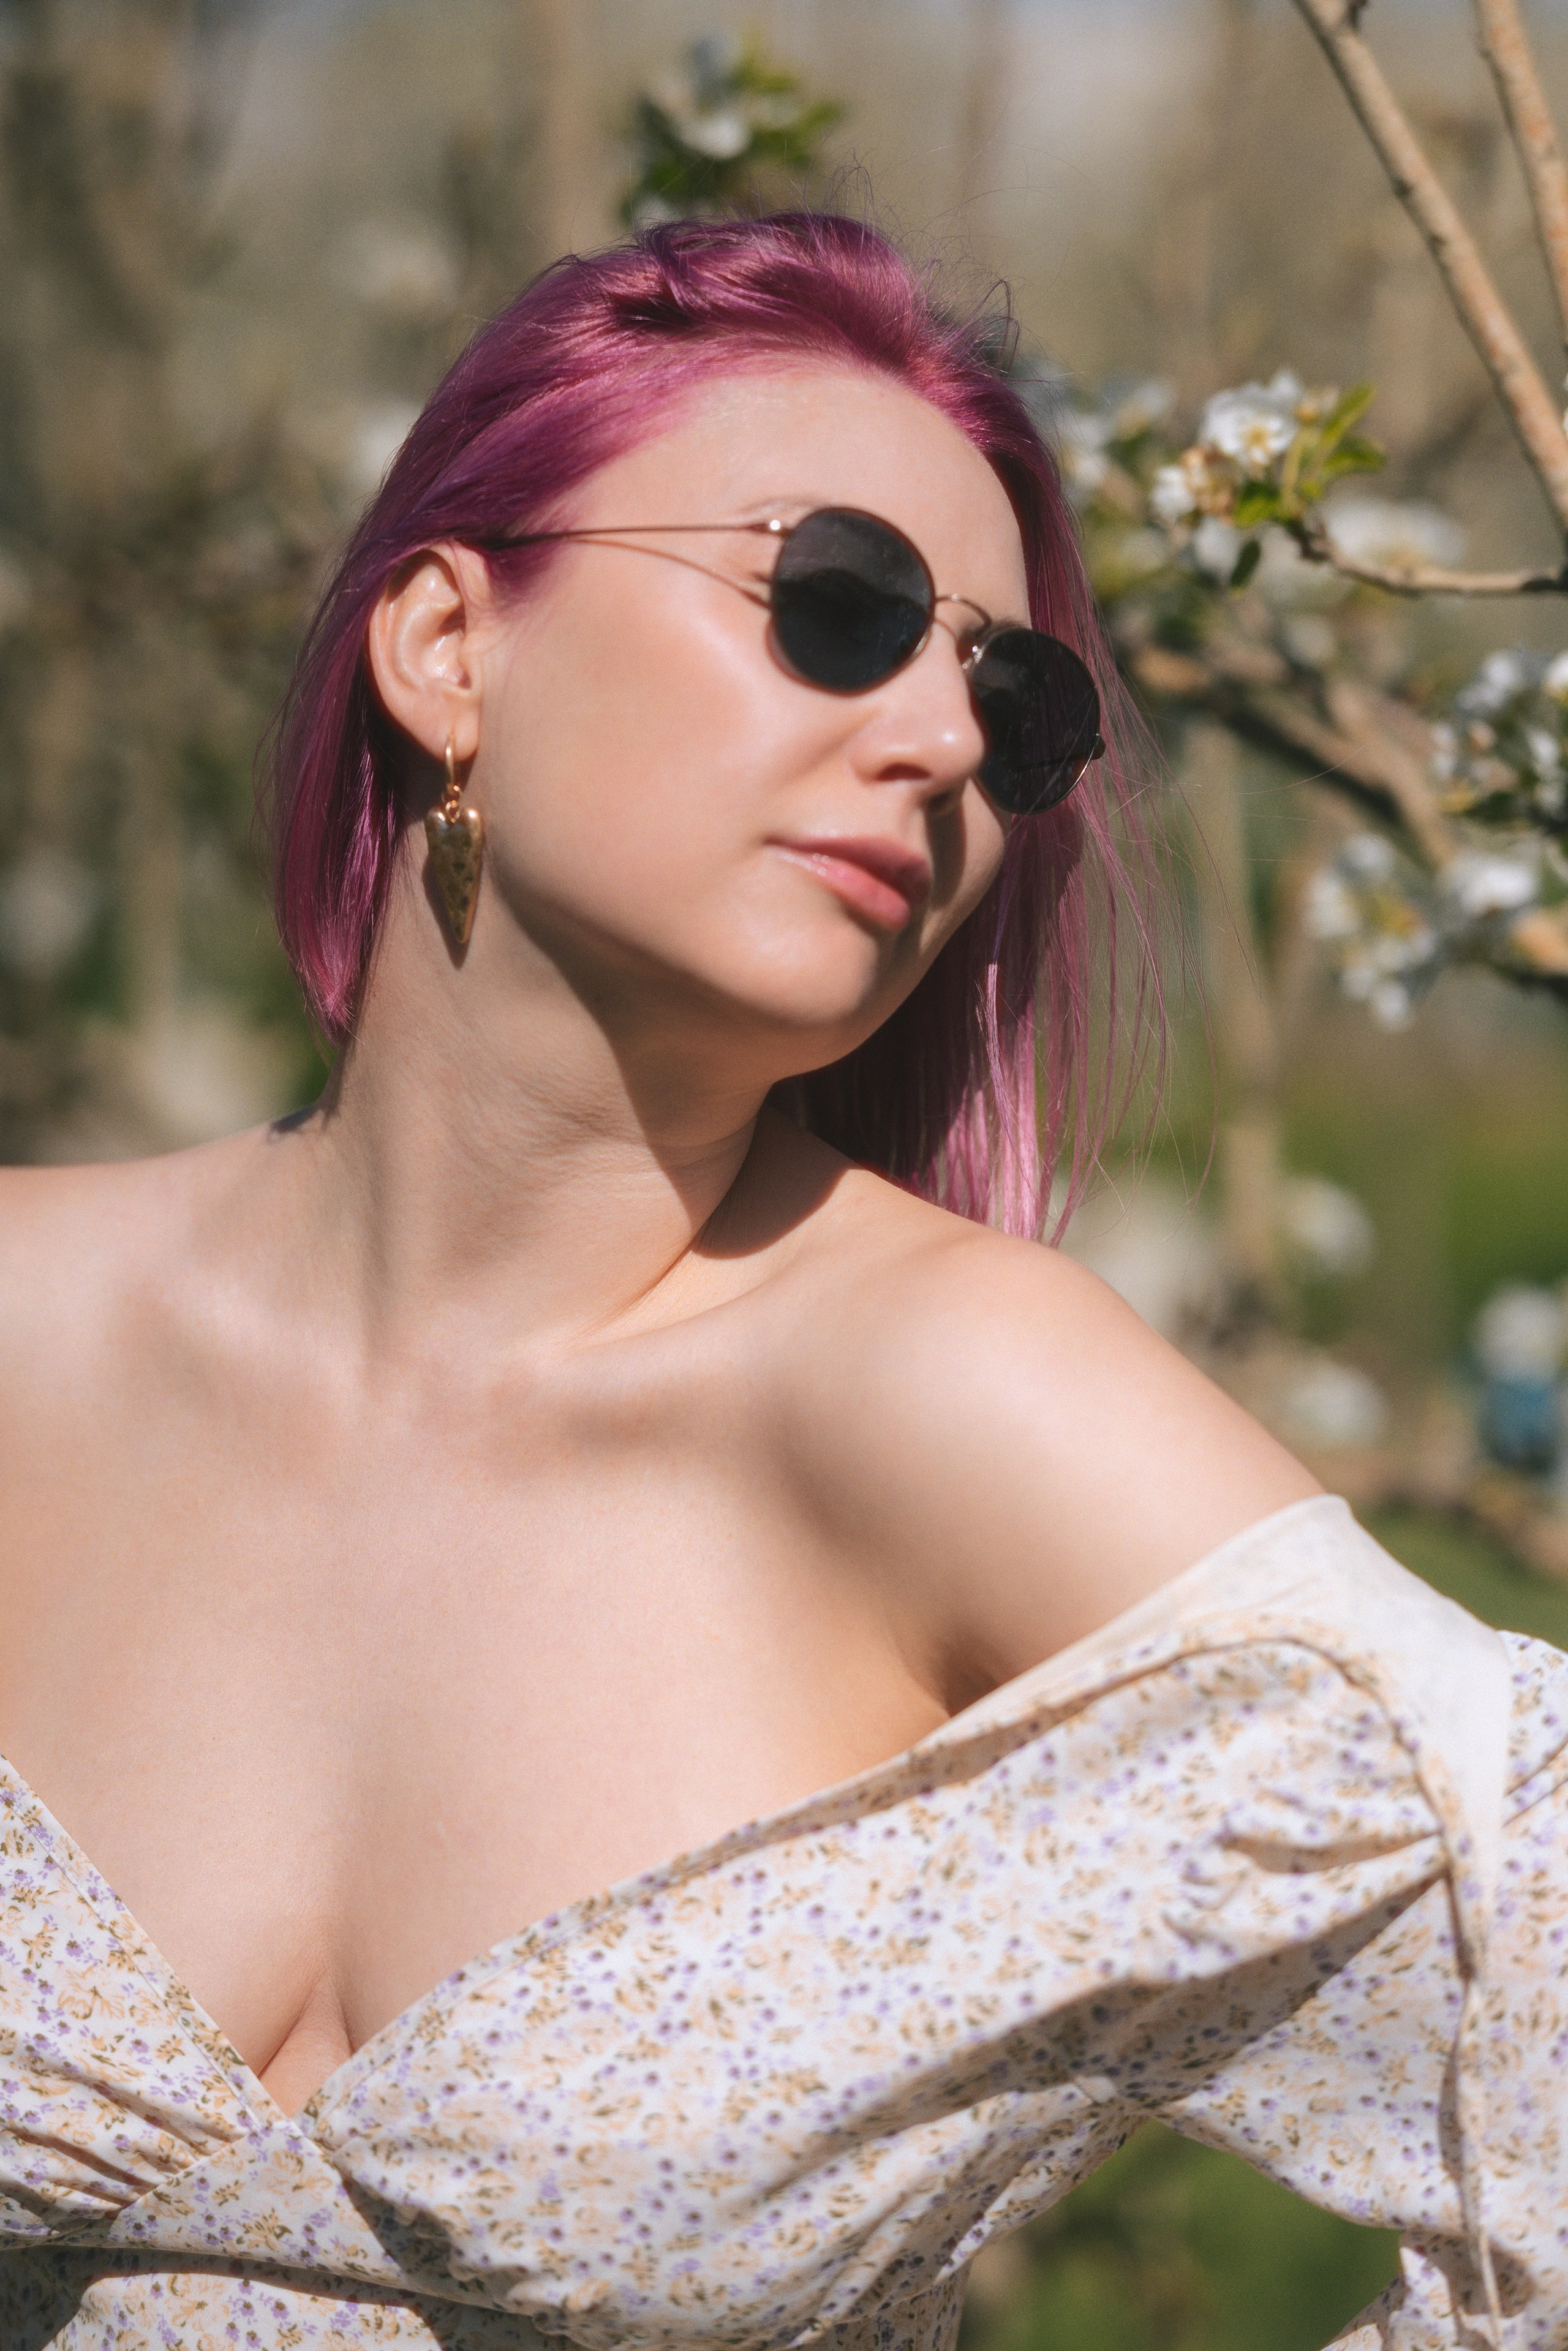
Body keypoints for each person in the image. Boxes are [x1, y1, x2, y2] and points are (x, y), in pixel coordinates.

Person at [0, 214, 1562, 2351]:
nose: (938, 745)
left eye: (1016, 710)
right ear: (449, 644)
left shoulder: (951, 1399)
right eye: (838, 606)